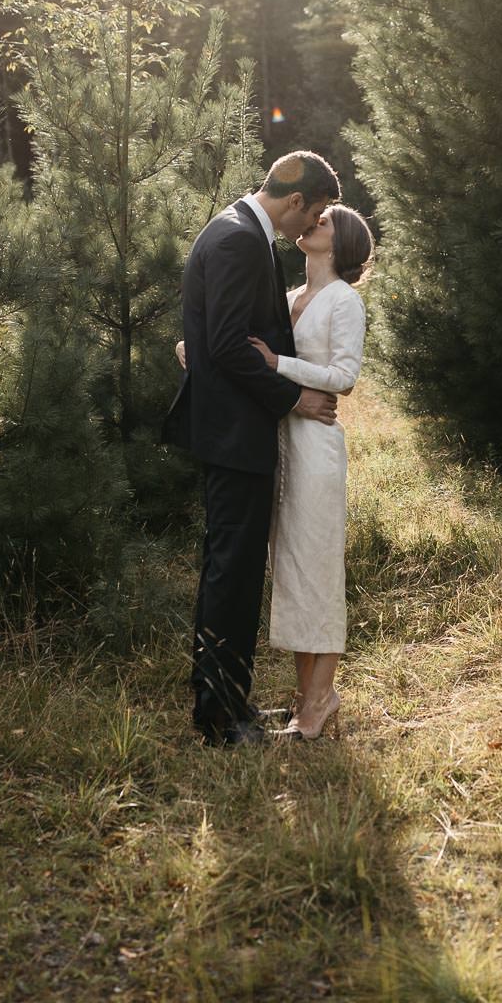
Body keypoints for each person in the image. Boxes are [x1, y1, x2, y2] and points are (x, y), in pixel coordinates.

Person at [162, 151, 341, 747]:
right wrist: (295, 399)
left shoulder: (238, 230)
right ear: (295, 201)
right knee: (231, 576)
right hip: (235, 435)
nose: (307, 227)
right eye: (311, 213)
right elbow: (230, 346)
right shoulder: (240, 239)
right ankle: (219, 720)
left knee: (232, 572)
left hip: (231, 431)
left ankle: (228, 701)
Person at [252, 204, 373, 741]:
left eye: (323, 222)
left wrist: (281, 366)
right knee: (292, 569)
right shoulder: (287, 299)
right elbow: (249, 352)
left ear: (340, 241)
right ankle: (309, 697)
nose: (311, 223)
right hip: (279, 442)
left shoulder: (346, 301)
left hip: (318, 446)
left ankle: (321, 698)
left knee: (318, 568)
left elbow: (343, 377)